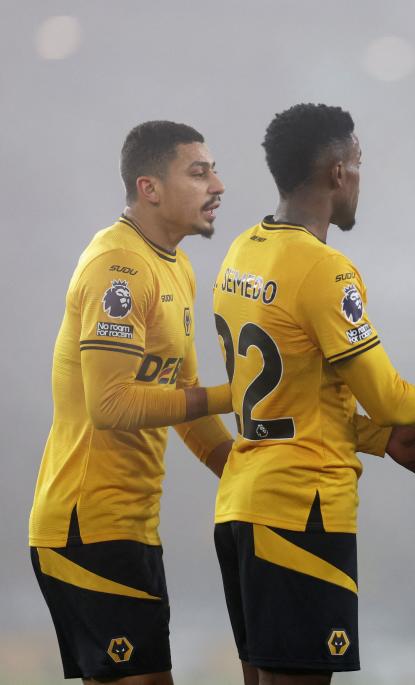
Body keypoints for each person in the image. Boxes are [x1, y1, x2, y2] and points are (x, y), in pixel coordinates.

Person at [210, 105, 415, 685]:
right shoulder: (324, 270)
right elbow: (388, 396)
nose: (361, 178)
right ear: (338, 173)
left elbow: (289, 396)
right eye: (359, 164)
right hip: (303, 508)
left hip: (242, 506)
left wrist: (377, 438)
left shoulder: (243, 250)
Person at [28, 120, 235, 684]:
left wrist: (243, 471)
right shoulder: (115, 268)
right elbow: (112, 405)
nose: (218, 184)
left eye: (213, 169)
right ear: (150, 188)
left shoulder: (176, 264)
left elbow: (186, 403)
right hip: (86, 526)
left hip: (131, 527)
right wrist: (236, 393)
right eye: (199, 172)